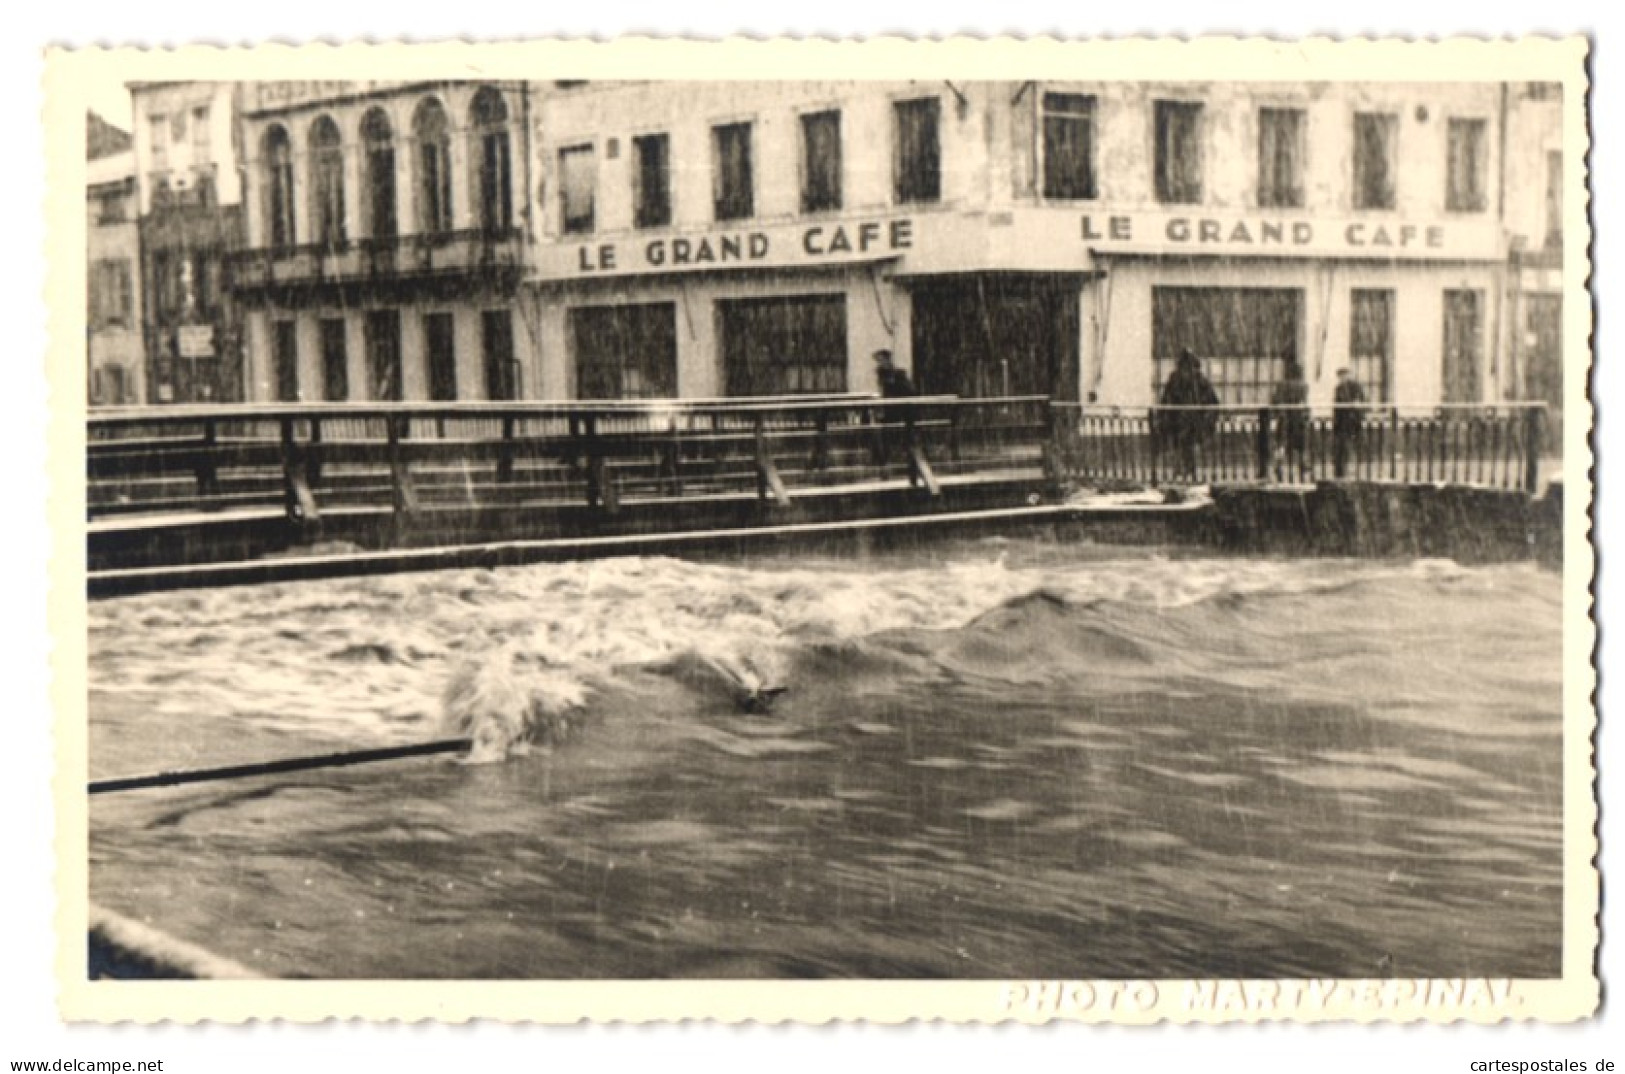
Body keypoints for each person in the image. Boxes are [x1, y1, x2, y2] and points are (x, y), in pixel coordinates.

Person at [1158, 348, 1219, 481]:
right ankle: (1181, 472)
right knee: (1180, 448)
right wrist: (1166, 418)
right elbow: (1166, 402)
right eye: (1184, 368)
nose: (1187, 371)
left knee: (1189, 447)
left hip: (1193, 423)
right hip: (1178, 423)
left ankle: (1189, 472)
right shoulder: (1175, 382)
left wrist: (1205, 419)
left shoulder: (1200, 382)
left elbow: (1212, 402)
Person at [1270, 353, 1310, 482]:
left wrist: (1278, 413)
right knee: (1301, 445)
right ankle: (1303, 466)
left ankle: (1279, 466)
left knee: (1281, 443)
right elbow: (1305, 403)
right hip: (1298, 419)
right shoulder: (1303, 386)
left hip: (1285, 418)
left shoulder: (1282, 385)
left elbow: (1276, 401)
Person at [1333, 367, 1368, 478]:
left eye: (1344, 375)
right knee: (1342, 447)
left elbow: (1362, 401)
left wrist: (1359, 412)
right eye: (1340, 376)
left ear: (1348, 375)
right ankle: (1341, 472)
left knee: (1355, 446)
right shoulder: (1338, 389)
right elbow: (1336, 406)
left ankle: (1355, 470)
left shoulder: (1356, 387)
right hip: (1342, 423)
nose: (1342, 378)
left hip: (1354, 422)